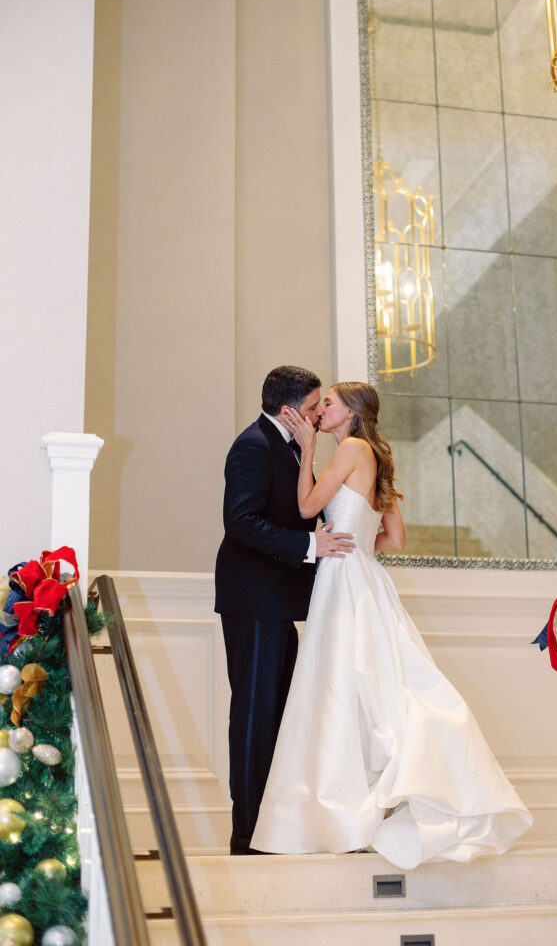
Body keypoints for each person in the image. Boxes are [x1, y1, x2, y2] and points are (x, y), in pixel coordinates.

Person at [251, 382, 532, 868]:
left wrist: (308, 450)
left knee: (339, 685)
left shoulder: (351, 449)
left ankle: (340, 809)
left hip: (343, 578)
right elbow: (395, 538)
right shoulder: (378, 455)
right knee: (367, 683)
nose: (321, 410)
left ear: (350, 413)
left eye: (329, 403)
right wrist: (357, 542)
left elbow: (307, 508)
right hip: (364, 575)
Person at [215, 365, 355, 855]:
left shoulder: (292, 444)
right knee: (254, 715)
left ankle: (273, 826)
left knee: (278, 712)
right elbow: (240, 522)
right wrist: (310, 545)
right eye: (314, 406)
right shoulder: (253, 446)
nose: (319, 414)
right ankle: (247, 833)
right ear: (289, 409)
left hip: (278, 600)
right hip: (253, 599)